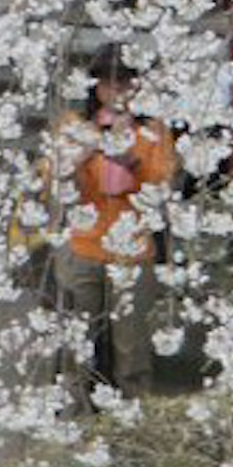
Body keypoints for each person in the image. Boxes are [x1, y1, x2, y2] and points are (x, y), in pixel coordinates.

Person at [45, 55, 173, 389]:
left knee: (131, 345)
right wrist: (80, 157)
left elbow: (162, 186)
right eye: (106, 83)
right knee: (78, 338)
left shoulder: (152, 131)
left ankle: (132, 415)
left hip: (132, 248)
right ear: (95, 87)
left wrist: (128, 159)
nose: (115, 91)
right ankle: (75, 411)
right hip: (83, 245)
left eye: (124, 83)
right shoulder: (75, 126)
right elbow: (54, 183)